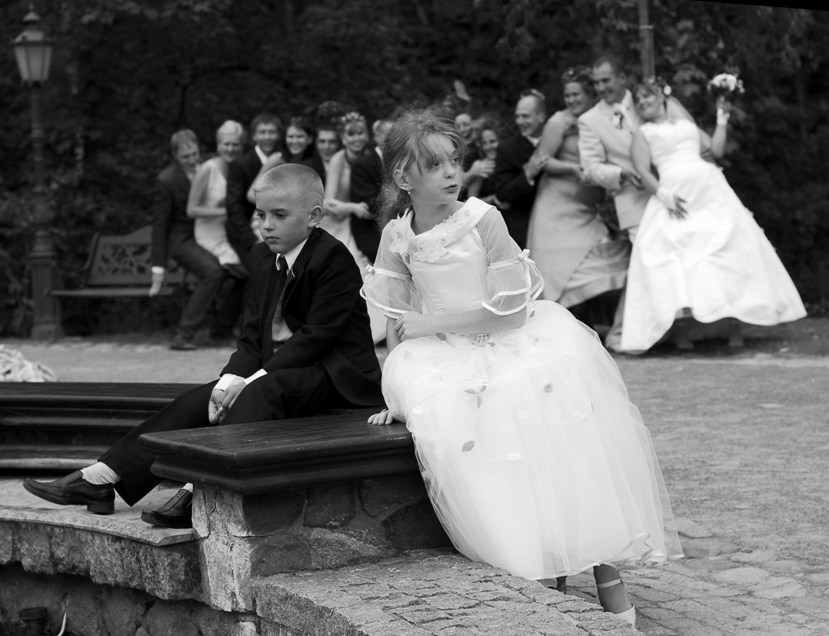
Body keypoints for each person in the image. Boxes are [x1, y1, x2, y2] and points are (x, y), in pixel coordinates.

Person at [361, 111, 683, 628]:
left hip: (515, 341)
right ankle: (540, 566)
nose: (452, 172)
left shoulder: (483, 219)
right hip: (446, 354)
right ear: (403, 176)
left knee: (553, 431)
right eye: (435, 165)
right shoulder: (397, 236)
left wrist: (432, 323)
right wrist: (396, 392)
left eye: (454, 161)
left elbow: (510, 312)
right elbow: (399, 325)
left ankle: (606, 570)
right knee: (473, 433)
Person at [23, 164, 384, 530]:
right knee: (205, 397)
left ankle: (199, 489)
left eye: (279, 215)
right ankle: (103, 477)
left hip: (335, 375)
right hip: (281, 370)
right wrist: (229, 379)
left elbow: (315, 338)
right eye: (261, 215)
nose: (267, 225)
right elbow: (251, 335)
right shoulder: (262, 257)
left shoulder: (333, 259)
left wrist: (251, 380)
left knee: (259, 392)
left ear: (314, 217)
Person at [619, 78, 807, 352]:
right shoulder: (643, 132)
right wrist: (663, 195)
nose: (643, 103)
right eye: (638, 100)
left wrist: (722, 116)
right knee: (677, 255)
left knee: (727, 250)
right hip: (676, 195)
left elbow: (715, 150)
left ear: (661, 96)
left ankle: (734, 325)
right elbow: (642, 169)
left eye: (647, 96)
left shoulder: (686, 124)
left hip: (710, 193)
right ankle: (682, 331)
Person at [578, 54, 694, 350]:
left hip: (675, 192)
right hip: (634, 201)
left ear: (622, 78)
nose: (600, 87)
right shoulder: (589, 120)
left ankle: (679, 329)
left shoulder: (648, 98)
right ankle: (627, 335)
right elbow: (590, 168)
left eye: (606, 80)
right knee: (651, 263)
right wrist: (621, 173)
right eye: (596, 83)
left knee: (682, 258)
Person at [529, 66, 630, 334]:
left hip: (587, 205)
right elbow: (541, 161)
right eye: (568, 95)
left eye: (577, 94)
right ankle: (561, 328)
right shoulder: (558, 121)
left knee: (601, 256)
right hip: (557, 204)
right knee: (560, 263)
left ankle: (593, 326)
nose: (572, 100)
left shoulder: (599, 118)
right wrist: (572, 169)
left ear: (590, 94)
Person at [149, 129, 244, 350]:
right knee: (214, 272)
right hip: (182, 238)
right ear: (175, 155)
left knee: (245, 272)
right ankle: (183, 335)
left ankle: (221, 330)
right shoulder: (167, 180)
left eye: (195, 154)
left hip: (213, 233)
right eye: (186, 157)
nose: (192, 160)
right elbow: (160, 225)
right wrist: (158, 268)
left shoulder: (211, 166)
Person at [322, 111, 386, 343]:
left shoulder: (372, 158)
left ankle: (372, 329)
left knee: (367, 272)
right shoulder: (339, 159)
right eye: (351, 134)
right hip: (335, 221)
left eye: (360, 133)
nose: (356, 138)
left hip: (355, 221)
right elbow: (328, 202)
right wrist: (353, 207)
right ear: (343, 138)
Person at [187, 120, 247, 279]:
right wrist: (226, 211)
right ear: (218, 145)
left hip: (235, 235)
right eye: (226, 144)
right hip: (210, 235)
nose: (230, 149)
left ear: (241, 147)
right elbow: (191, 210)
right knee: (244, 271)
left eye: (235, 145)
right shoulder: (207, 169)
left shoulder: (242, 168)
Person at [492, 89, 550, 248]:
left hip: (559, 219)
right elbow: (502, 193)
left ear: (541, 116)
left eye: (525, 116)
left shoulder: (557, 140)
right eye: (517, 116)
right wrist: (527, 175)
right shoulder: (507, 149)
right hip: (524, 226)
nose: (519, 121)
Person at [226, 113, 282, 269]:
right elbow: (234, 207)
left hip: (278, 231)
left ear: (278, 135)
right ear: (254, 136)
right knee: (261, 272)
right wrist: (252, 240)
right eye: (262, 132)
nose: (267, 137)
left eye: (271, 132)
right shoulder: (241, 164)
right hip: (245, 234)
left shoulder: (284, 160)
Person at [350, 117, 394, 263]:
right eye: (388, 135)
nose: (392, 140)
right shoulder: (362, 165)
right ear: (376, 137)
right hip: (372, 229)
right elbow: (369, 203)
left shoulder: (405, 161)